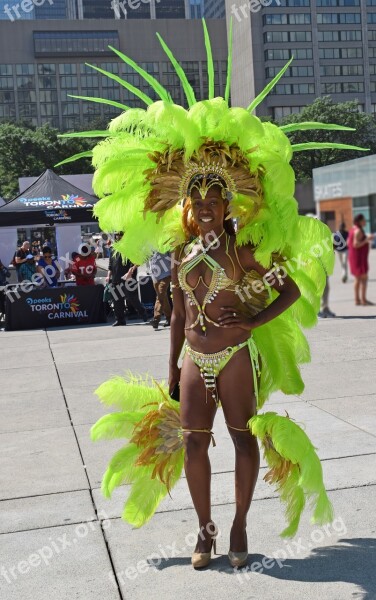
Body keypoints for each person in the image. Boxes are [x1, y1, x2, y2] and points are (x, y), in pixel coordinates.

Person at [64, 21, 363, 570]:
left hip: (234, 356)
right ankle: (204, 533)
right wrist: (170, 363)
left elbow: (292, 286)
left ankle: (240, 525)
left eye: (214, 198)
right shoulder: (179, 255)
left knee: (243, 439)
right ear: (186, 205)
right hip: (192, 356)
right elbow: (177, 313)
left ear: (228, 205)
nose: (204, 205)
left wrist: (252, 325)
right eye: (196, 198)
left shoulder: (245, 253)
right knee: (194, 445)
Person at [106, 232, 148, 326]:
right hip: (115, 277)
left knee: (131, 297)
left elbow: (134, 262)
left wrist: (130, 273)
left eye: (121, 235)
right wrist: (108, 275)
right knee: (116, 299)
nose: (119, 236)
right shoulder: (113, 248)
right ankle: (120, 320)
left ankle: (143, 313)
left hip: (128, 277)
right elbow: (110, 264)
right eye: (117, 235)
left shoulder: (130, 247)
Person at [348, 214, 375, 306]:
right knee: (363, 278)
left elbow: (348, 242)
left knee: (357, 278)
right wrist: (367, 240)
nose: (365, 222)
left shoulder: (353, 229)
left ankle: (357, 300)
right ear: (359, 221)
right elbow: (356, 244)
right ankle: (363, 300)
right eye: (364, 220)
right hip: (359, 258)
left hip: (354, 257)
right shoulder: (358, 231)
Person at [148, 251, 172, 329]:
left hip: (166, 274)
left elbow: (173, 257)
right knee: (163, 297)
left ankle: (156, 319)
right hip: (155, 276)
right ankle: (169, 318)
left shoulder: (165, 243)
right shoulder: (150, 245)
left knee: (160, 296)